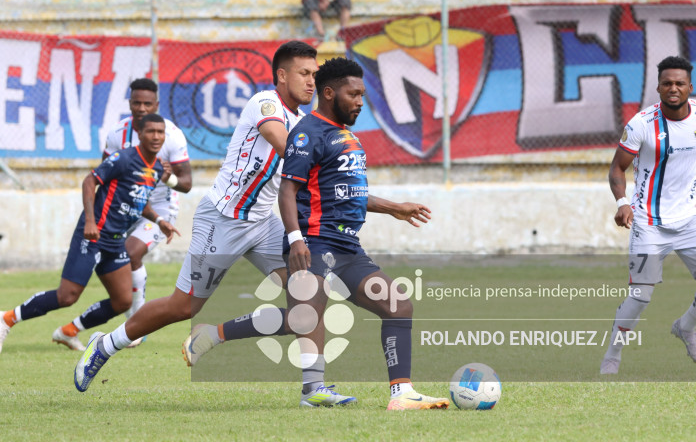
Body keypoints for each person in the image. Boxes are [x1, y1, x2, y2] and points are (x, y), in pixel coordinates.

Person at [74, 41, 356, 407]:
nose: (310, 81)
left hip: (262, 221)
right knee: (183, 307)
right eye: (304, 73)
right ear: (282, 75)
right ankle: (106, 344)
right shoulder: (265, 103)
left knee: (309, 296)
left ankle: (313, 389)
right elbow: (285, 145)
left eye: (315, 75)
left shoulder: (305, 121)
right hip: (223, 219)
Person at [171, 58, 449, 410]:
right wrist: (295, 239)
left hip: (348, 249)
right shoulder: (307, 134)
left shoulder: (348, 137)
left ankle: (402, 393)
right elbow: (288, 191)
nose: (361, 101)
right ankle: (302, 384)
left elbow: (349, 194)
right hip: (316, 245)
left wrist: (393, 207)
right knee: (305, 318)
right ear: (330, 93)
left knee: (397, 306)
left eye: (363, 94)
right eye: (354, 94)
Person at [599, 56, 696, 375]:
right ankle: (613, 353)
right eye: (667, 83)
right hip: (648, 223)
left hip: (690, 220)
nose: (673, 89)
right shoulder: (641, 124)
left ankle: (686, 327)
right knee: (641, 296)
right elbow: (617, 168)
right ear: (658, 87)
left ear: (690, 86)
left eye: (679, 83)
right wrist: (622, 202)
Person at [0, 114, 177, 355]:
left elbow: (139, 201)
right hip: (94, 235)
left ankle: (69, 332)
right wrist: (91, 221)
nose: (156, 136)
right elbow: (89, 181)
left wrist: (159, 220)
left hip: (116, 241)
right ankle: (6, 319)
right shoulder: (124, 158)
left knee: (123, 301)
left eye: (160, 132)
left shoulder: (156, 168)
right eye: (151, 131)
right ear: (140, 134)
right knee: (67, 296)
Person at [54, 78, 192, 351]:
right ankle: (77, 328)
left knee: (132, 254)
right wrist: (95, 217)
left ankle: (136, 325)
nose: (141, 108)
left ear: (157, 104)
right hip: (122, 209)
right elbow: (101, 176)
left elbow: (186, 183)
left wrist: (168, 178)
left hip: (159, 210)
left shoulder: (171, 134)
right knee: (111, 281)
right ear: (129, 103)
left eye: (147, 103)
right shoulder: (117, 133)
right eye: (136, 103)